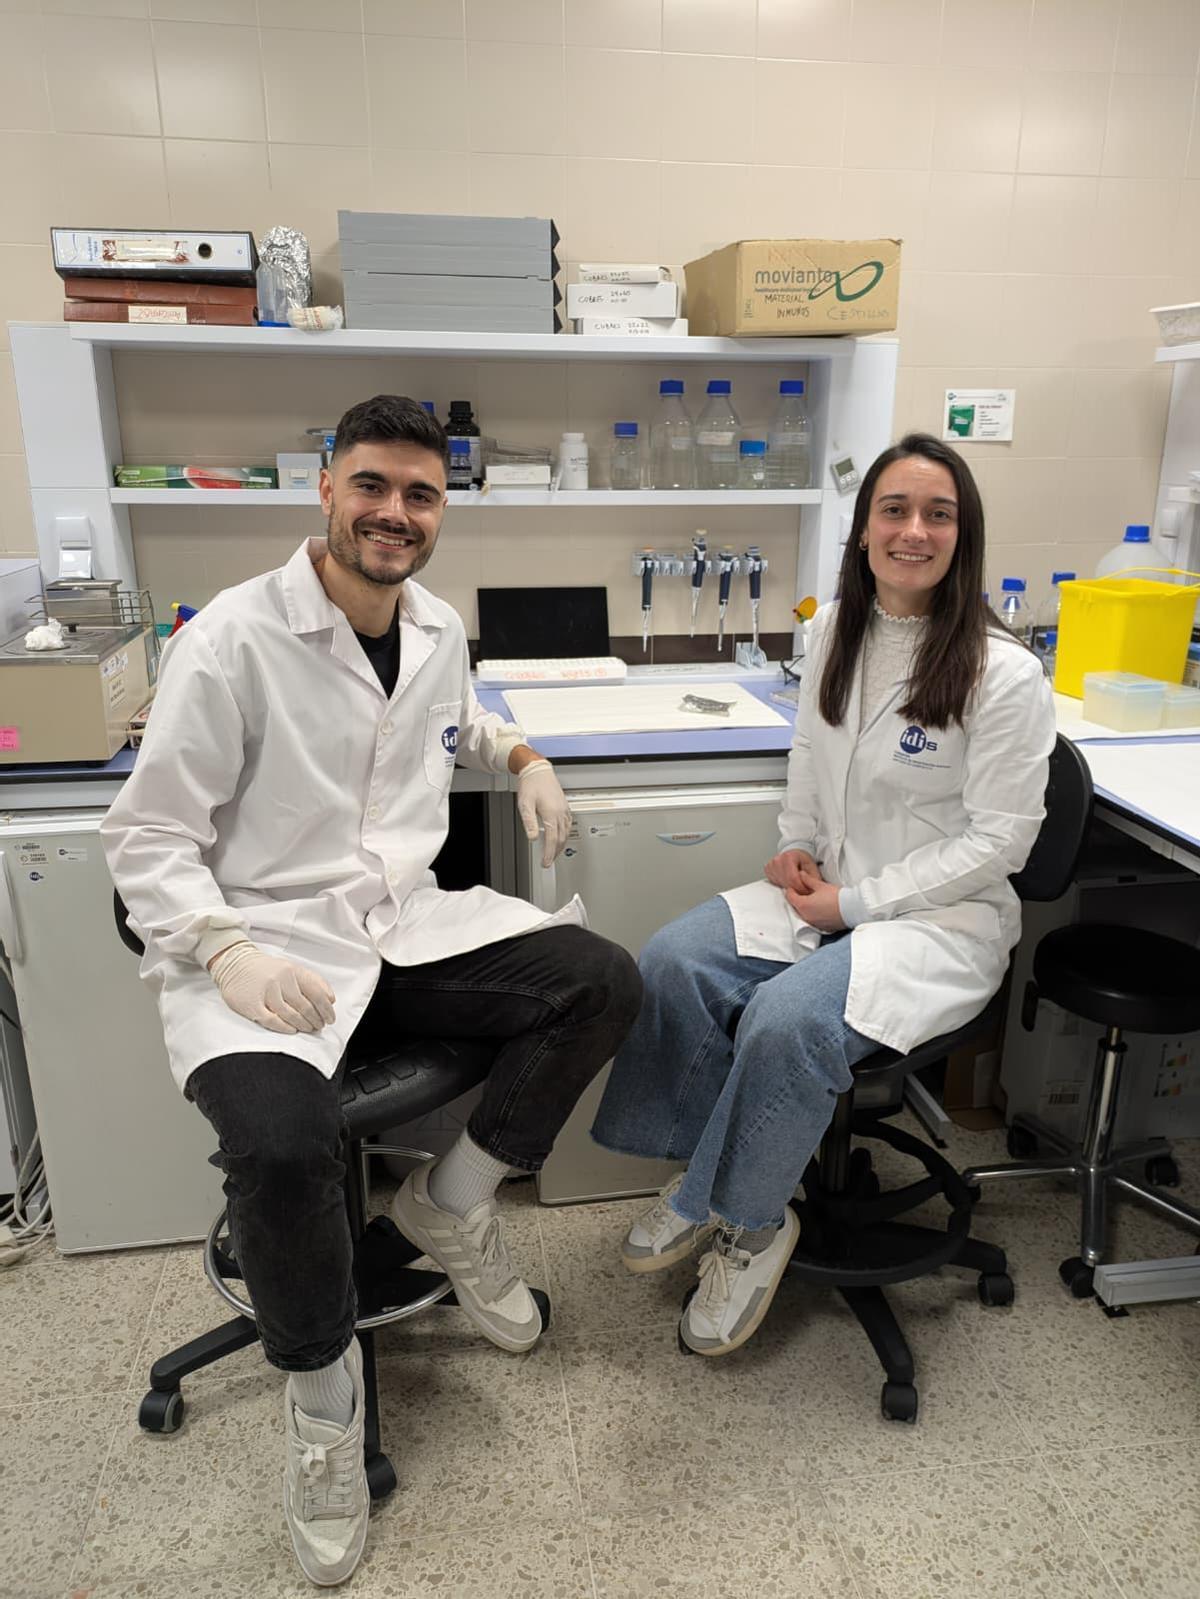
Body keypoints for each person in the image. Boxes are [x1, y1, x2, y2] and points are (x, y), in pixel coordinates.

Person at [100, 394, 641, 1588]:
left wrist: (527, 758)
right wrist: (226, 950)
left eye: (421, 494)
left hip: (397, 935)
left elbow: (452, 723)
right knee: (287, 1151)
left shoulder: (436, 627)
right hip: (264, 951)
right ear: (327, 490)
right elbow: (144, 836)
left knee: (601, 981)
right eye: (373, 487)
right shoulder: (234, 639)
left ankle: (451, 1207)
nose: (395, 514)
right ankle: (322, 1400)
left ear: (443, 510)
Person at [591, 432, 1055, 1359]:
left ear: (964, 535)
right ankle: (712, 1174)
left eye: (938, 514)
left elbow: (1002, 840)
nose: (914, 531)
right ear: (864, 526)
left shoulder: (1003, 674)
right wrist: (794, 847)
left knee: (785, 1021)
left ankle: (751, 1224)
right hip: (827, 894)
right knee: (671, 962)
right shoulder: (835, 627)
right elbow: (811, 757)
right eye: (895, 510)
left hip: (936, 923)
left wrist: (853, 903)